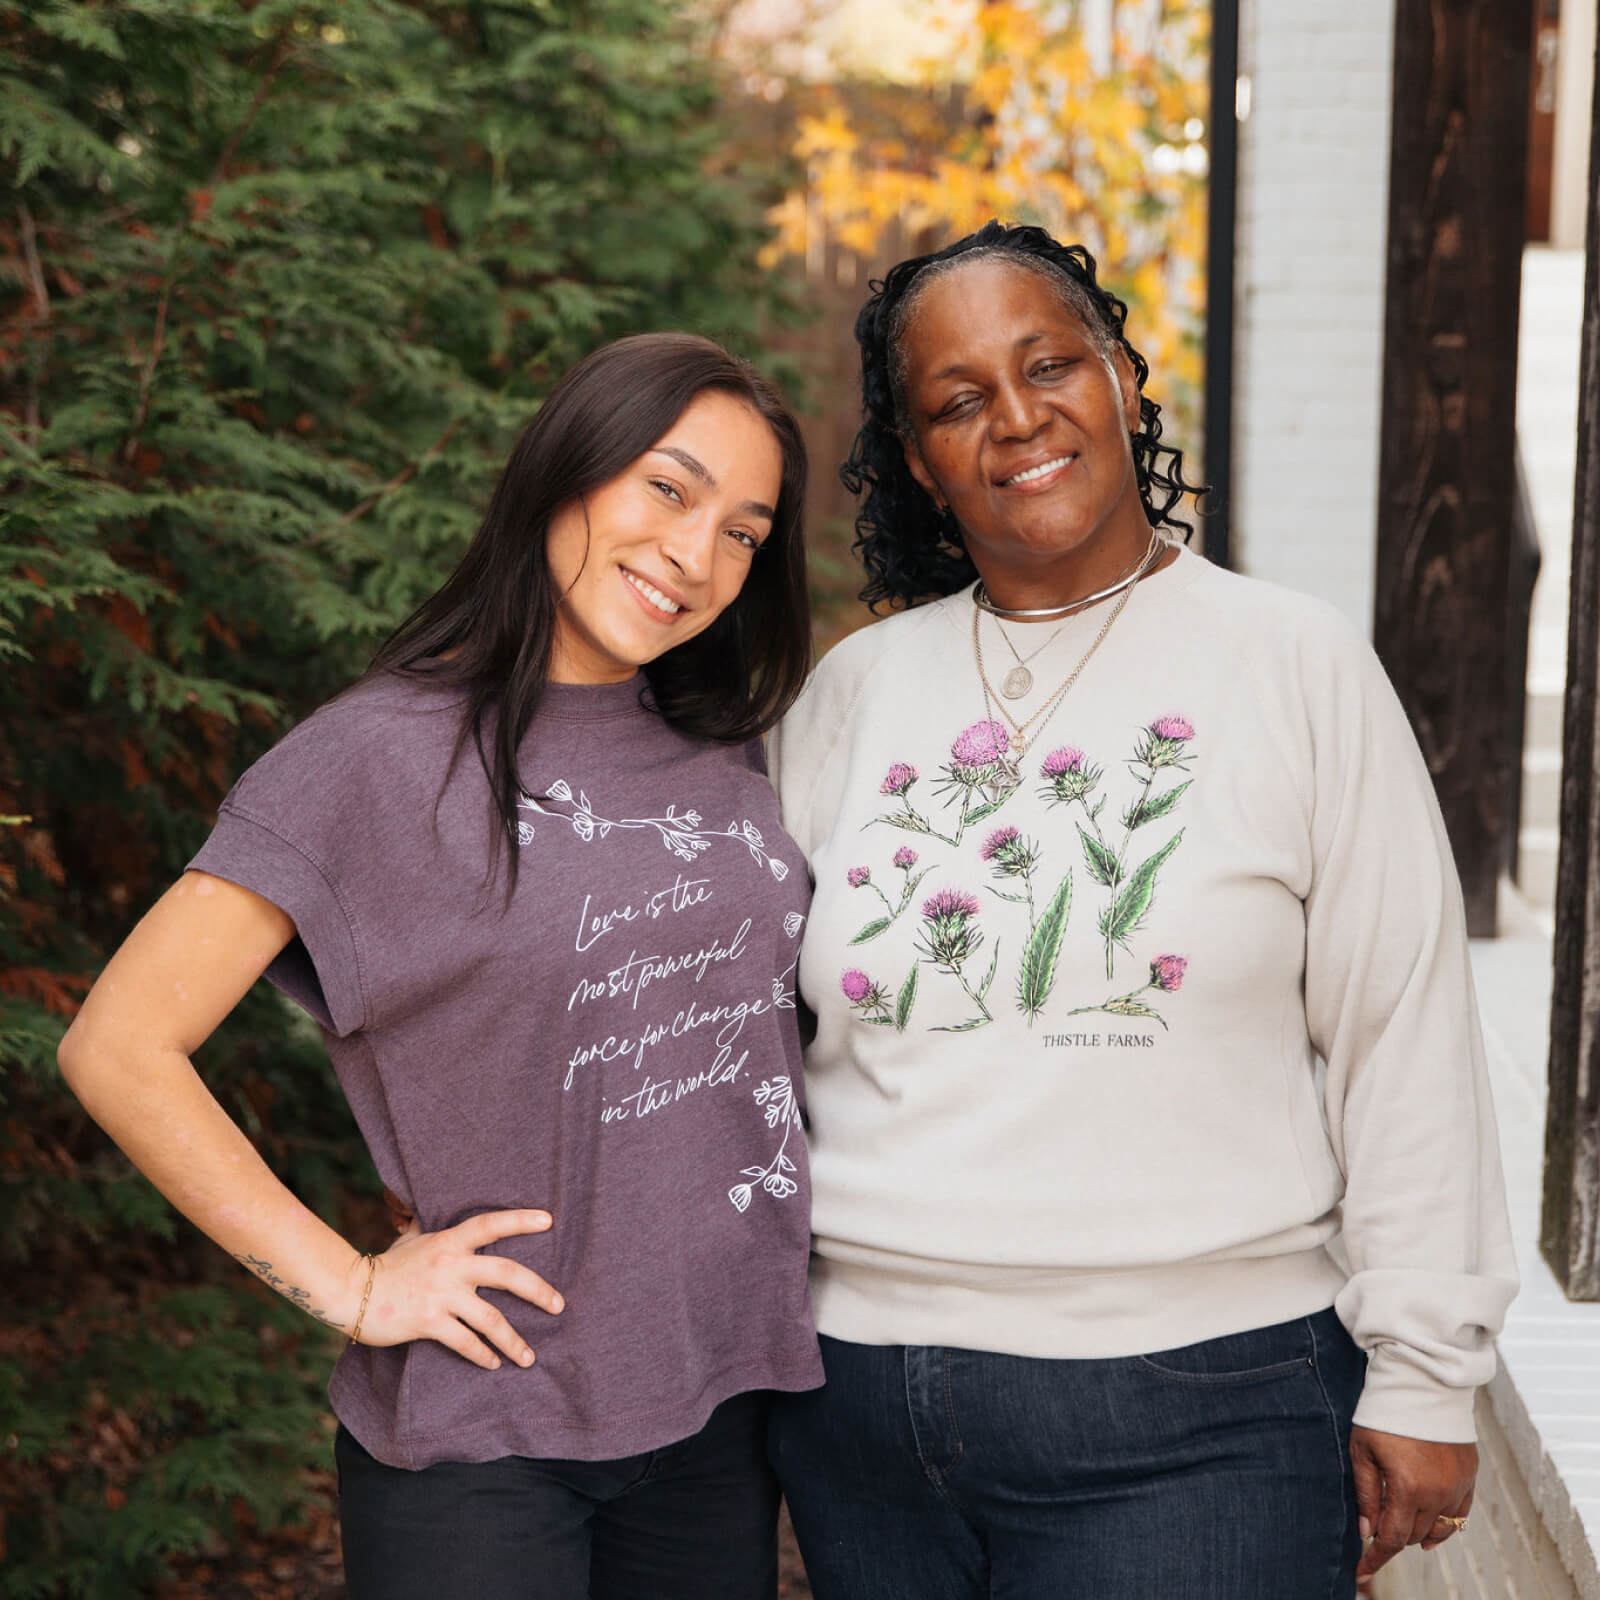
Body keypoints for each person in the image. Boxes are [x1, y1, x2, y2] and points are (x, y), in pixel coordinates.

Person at [766, 222, 1518, 1599]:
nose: (1015, 417)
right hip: (863, 1409)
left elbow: (1402, 1030)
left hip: (1202, 1409)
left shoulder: (1293, 663)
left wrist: (1427, 1369)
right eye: (958, 400)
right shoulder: (854, 693)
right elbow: (756, 1033)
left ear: (1119, 375)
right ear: (921, 462)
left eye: (1049, 364)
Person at [57, 332, 823, 1600]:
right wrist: (350, 1286)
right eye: (667, 488)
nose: (697, 556)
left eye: (744, 531)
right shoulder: (373, 758)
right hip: (488, 1435)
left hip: (719, 1408)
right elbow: (118, 1044)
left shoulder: (729, 750)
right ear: (566, 469)